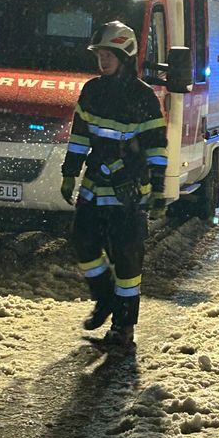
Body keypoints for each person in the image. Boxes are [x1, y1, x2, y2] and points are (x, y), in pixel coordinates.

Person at [60, 20, 168, 349]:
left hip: (128, 191)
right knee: (84, 244)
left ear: (125, 55)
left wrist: (159, 186)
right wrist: (69, 171)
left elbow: (156, 146)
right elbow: (79, 135)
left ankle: (124, 326)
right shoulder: (91, 91)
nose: (102, 60)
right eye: (99, 54)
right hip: (95, 187)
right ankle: (104, 298)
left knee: (127, 260)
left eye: (109, 54)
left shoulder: (143, 97)